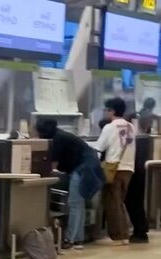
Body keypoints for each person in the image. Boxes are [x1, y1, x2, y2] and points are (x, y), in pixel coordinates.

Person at [35, 119, 103, 250]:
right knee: (79, 204)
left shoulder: (57, 140)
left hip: (83, 169)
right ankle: (78, 239)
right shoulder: (60, 135)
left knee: (74, 203)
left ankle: (69, 239)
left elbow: (52, 166)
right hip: (89, 166)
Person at [90, 97, 136, 245]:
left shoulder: (109, 127)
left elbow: (99, 147)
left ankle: (118, 236)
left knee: (111, 202)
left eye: (106, 110)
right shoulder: (131, 127)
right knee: (119, 201)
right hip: (128, 168)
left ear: (112, 111)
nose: (105, 112)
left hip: (113, 169)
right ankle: (124, 234)